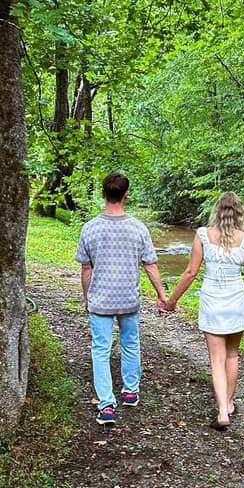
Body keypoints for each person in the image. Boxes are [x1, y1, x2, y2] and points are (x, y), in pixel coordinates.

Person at [164, 191, 244, 430]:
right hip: (236, 304)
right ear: (240, 213)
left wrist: (172, 301)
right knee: (232, 356)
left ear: (216, 212)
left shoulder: (203, 234)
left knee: (216, 359)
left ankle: (222, 411)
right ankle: (229, 404)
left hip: (212, 302)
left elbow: (191, 273)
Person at [76, 172, 168, 426]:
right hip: (129, 300)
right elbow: (150, 265)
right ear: (127, 195)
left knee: (101, 349)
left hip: (101, 301)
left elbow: (86, 270)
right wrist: (162, 295)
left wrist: (87, 297)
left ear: (103, 194)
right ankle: (130, 392)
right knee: (130, 344)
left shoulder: (90, 228)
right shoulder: (138, 228)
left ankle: (106, 406)